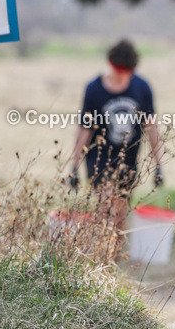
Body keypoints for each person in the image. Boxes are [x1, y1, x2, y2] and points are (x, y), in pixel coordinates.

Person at [69, 39, 163, 250]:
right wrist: (73, 166)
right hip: (99, 159)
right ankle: (101, 259)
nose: (122, 75)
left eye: (127, 71)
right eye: (119, 70)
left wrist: (159, 165)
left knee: (120, 216)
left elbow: (151, 127)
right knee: (106, 210)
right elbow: (84, 130)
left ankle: (113, 263)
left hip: (128, 160)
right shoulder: (94, 89)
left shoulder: (141, 87)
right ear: (110, 64)